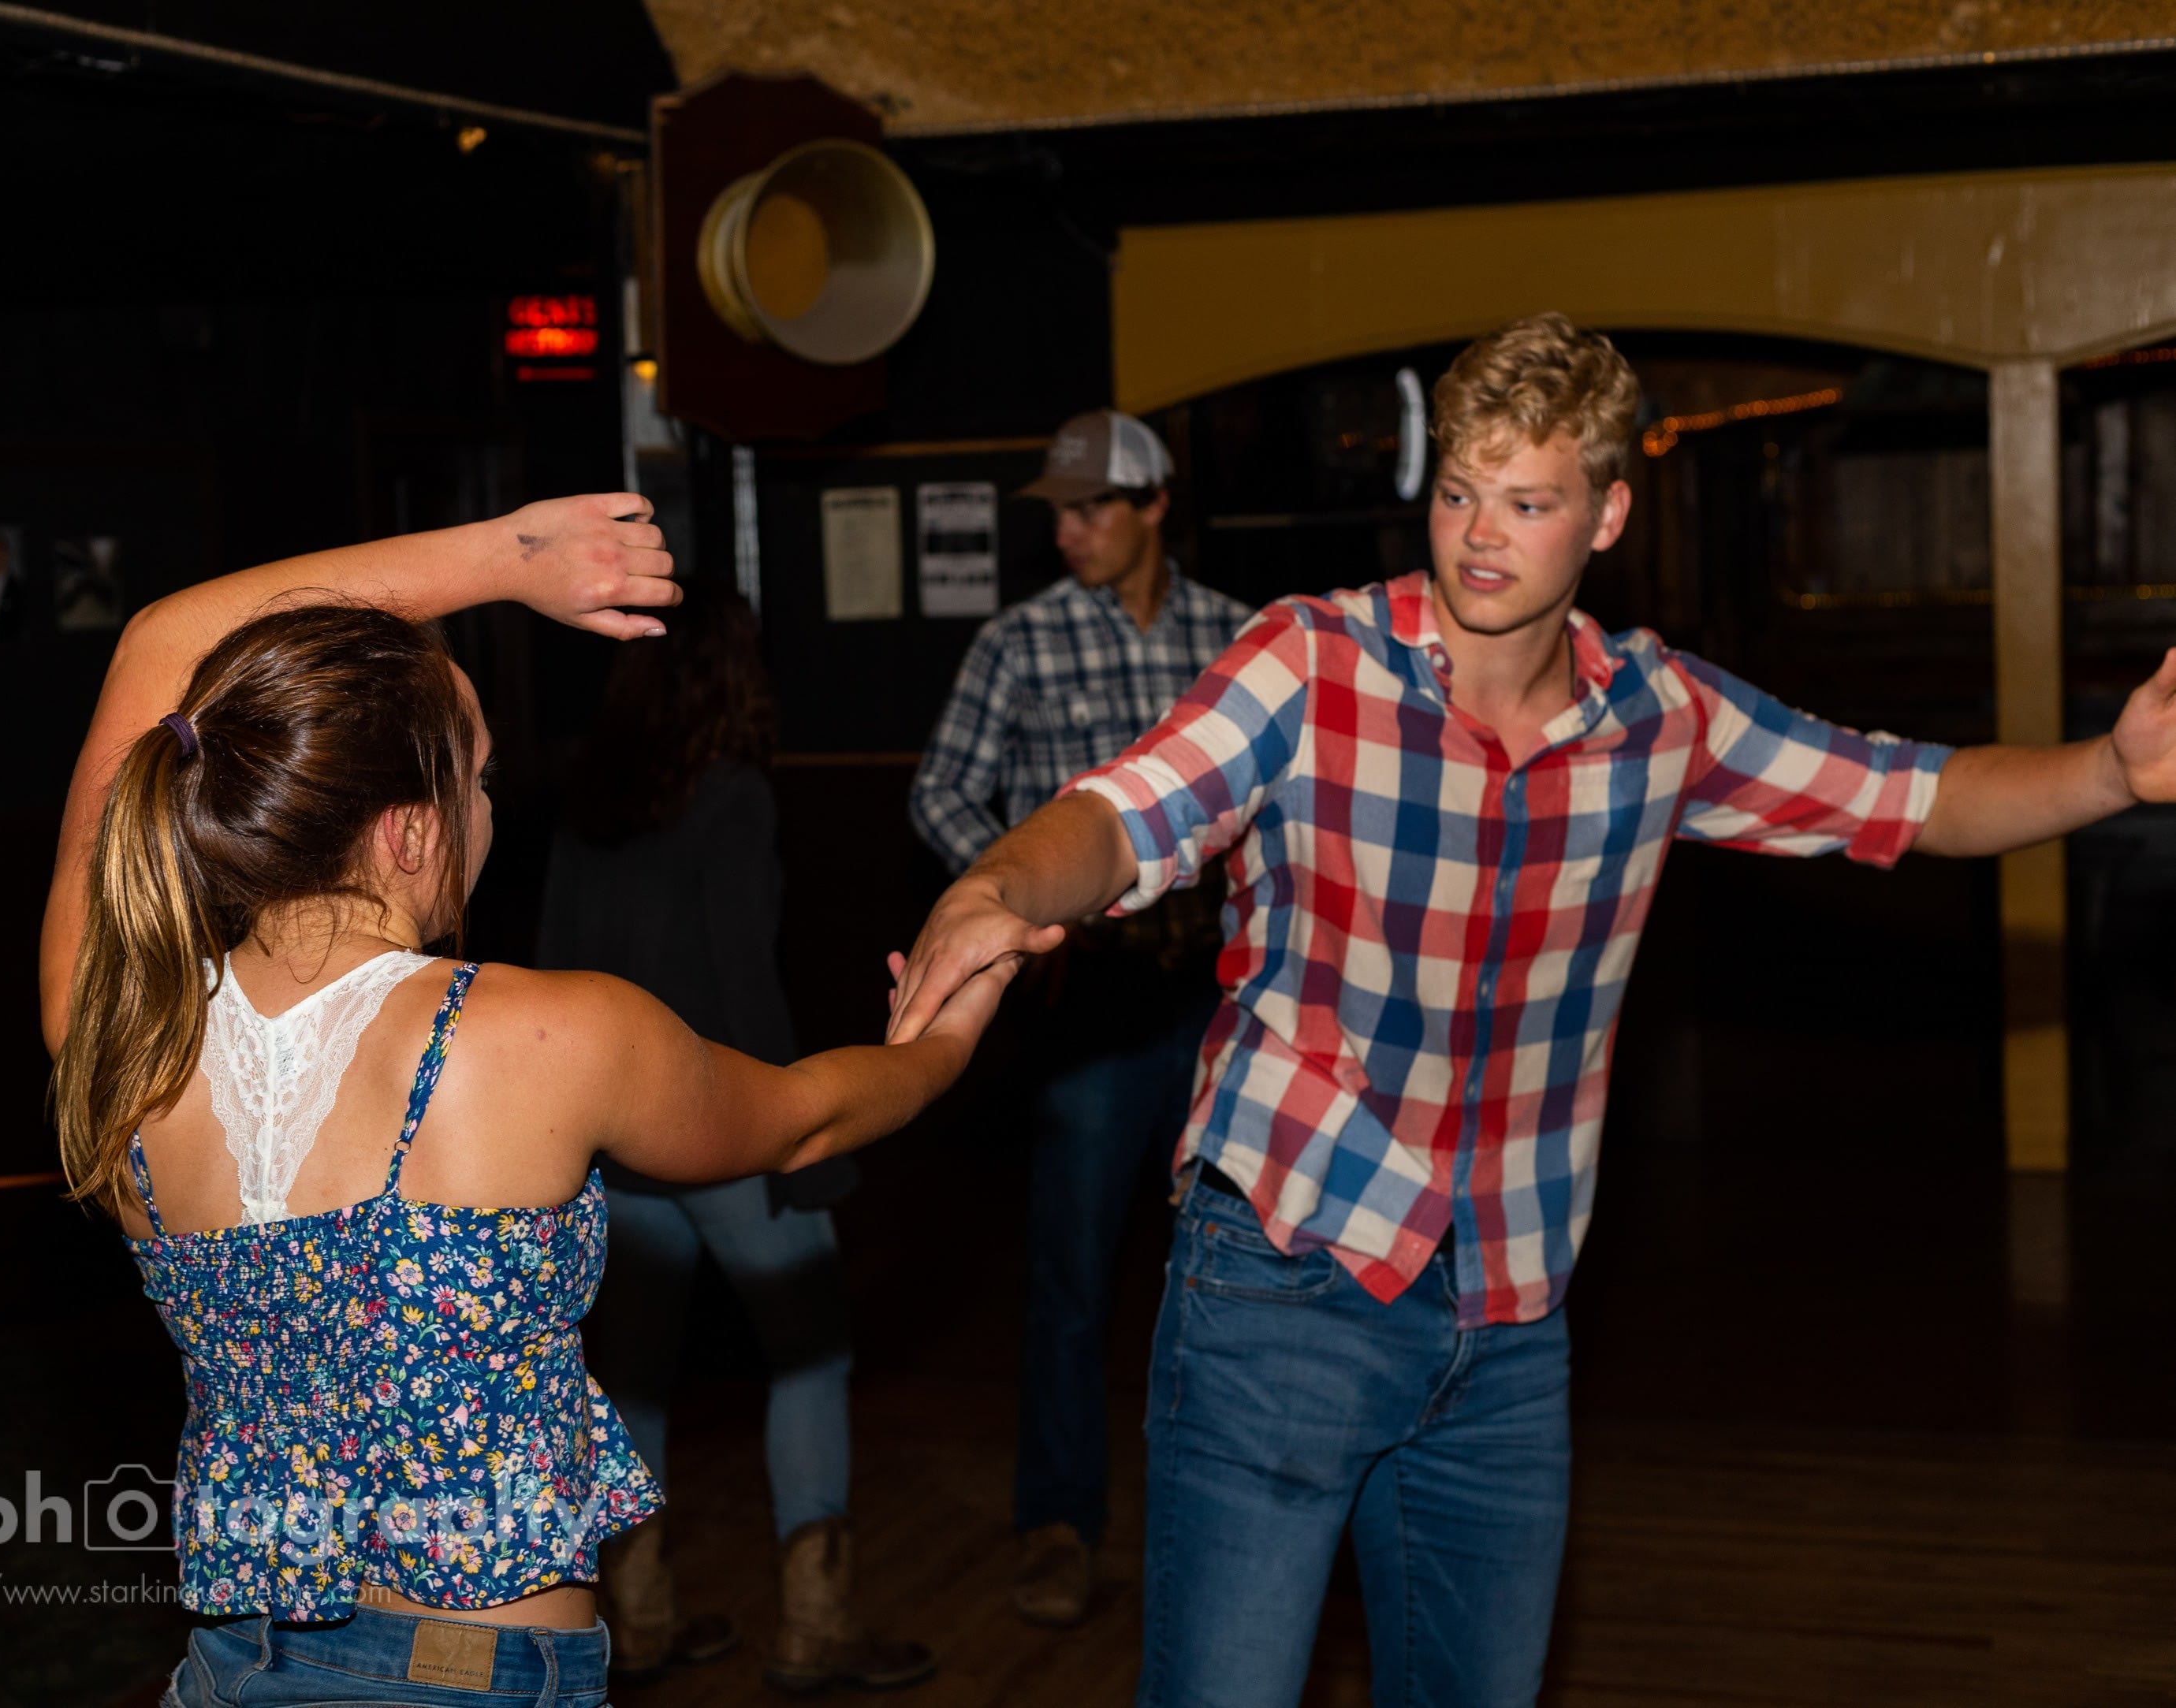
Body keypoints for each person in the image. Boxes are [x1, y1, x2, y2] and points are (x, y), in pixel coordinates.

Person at [884, 315, 2176, 1708]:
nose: (1479, 537)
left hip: (1508, 1315)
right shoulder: (1308, 662)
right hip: (1281, 1280)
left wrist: (2110, 770)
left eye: (1526, 502)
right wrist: (998, 886)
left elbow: (1909, 796)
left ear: (1606, 515)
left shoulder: (1662, 717)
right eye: (1458, 493)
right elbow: (1122, 811)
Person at [37, 495, 1015, 1708]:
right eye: (480, 777)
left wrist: (508, 558)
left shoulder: (120, 1039)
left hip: (235, 1668)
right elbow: (806, 1115)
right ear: (407, 833)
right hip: (474, 1679)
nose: (490, 810)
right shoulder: (542, 1037)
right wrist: (945, 1038)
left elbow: (157, 646)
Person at [538, 583, 933, 1694]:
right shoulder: (734, 796)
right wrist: (807, 1145)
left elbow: (552, 968)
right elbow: (744, 986)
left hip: (612, 1137)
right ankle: (815, 1622)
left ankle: (638, 1615)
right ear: (737, 677)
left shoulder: (587, 796)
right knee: (812, 1352)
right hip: (718, 1128)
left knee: (633, 1376)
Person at [907, 408, 1251, 1627]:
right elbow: (941, 790)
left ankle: (1224, 1526)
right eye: (1055, 510)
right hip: (1091, 1001)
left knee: (1229, 1272)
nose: (1067, 530)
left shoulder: (1238, 640)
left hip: (1221, 997)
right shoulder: (1019, 639)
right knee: (1070, 1277)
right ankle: (1058, 1523)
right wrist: (1025, 909)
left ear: (1155, 505)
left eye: (1091, 506)